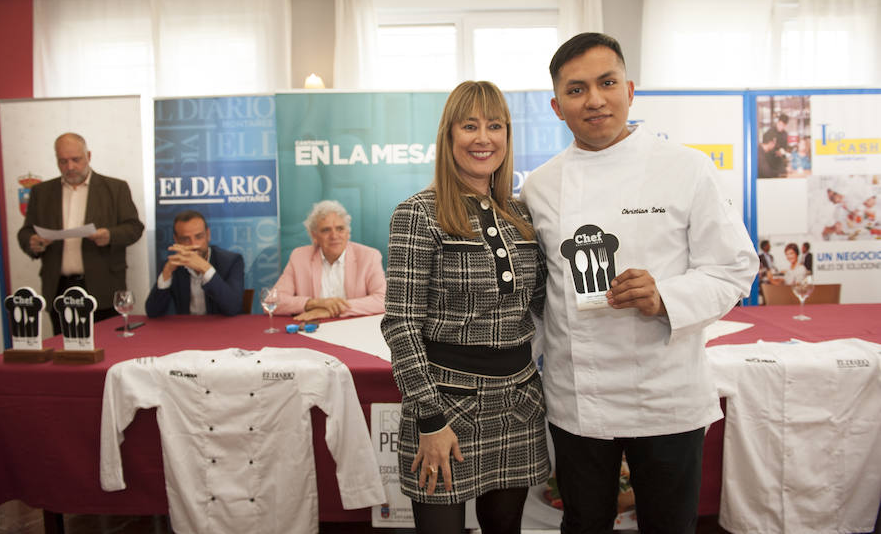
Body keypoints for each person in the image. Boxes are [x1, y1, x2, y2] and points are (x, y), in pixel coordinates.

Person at [520, 33, 758, 534]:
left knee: (669, 525)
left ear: (630, 89)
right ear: (557, 106)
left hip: (665, 392)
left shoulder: (687, 167)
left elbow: (734, 267)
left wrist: (666, 296)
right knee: (584, 523)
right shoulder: (538, 185)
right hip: (578, 397)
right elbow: (538, 292)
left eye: (607, 83)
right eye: (577, 89)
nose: (595, 99)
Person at [381, 81, 549, 534]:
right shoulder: (418, 213)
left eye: (495, 126)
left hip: (518, 400)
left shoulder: (522, 214)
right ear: (448, 135)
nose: (484, 138)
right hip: (444, 405)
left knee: (506, 529)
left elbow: (543, 303)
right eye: (470, 125)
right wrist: (430, 418)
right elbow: (400, 324)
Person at [17, 132, 144, 332]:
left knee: (108, 349)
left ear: (89, 156)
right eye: (63, 161)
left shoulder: (115, 188)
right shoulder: (41, 192)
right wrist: (32, 241)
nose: (70, 167)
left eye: (76, 159)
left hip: (102, 287)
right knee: (65, 352)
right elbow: (25, 232)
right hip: (59, 287)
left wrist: (110, 235)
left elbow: (134, 228)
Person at [272, 200, 385, 321]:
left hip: (355, 330)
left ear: (348, 233)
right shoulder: (299, 257)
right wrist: (314, 304)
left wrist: (330, 311)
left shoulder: (369, 256)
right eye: (326, 230)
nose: (334, 236)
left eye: (340, 229)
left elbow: (384, 300)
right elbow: (272, 301)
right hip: (314, 330)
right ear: (314, 236)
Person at [145, 210, 245, 317]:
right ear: (176, 240)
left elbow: (234, 308)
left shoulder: (231, 261)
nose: (194, 244)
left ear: (208, 235)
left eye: (199, 237)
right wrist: (166, 274)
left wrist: (205, 268)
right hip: (186, 330)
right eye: (185, 239)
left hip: (222, 330)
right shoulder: (172, 265)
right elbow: (152, 312)